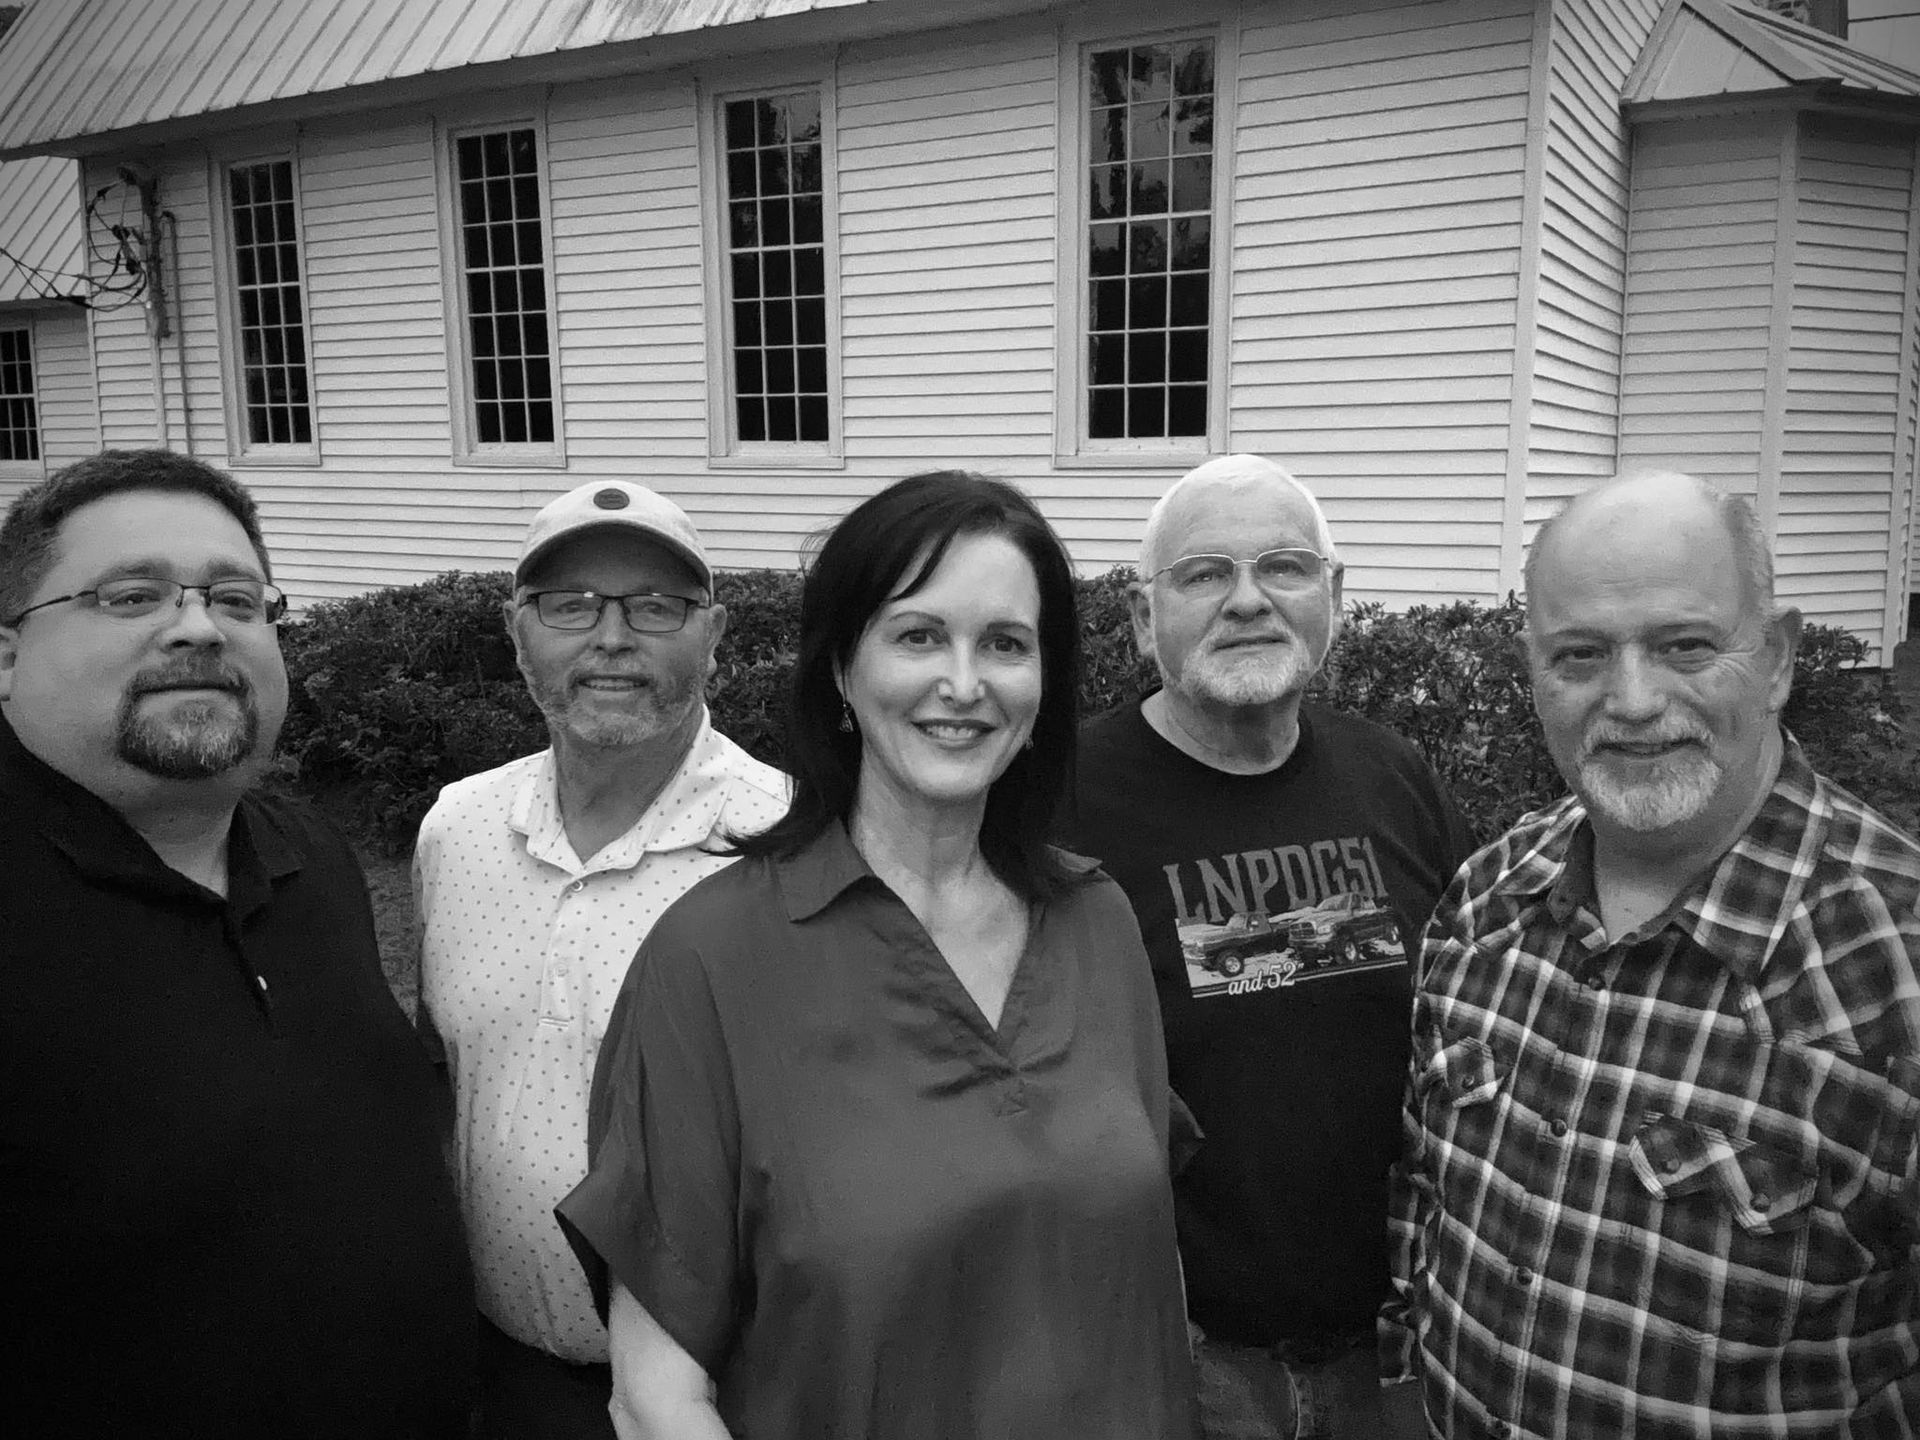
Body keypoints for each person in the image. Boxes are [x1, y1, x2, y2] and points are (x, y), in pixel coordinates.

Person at [558, 471, 1197, 1439]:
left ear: (1043, 688)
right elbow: (655, 1397)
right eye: (918, 635)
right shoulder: (712, 962)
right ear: (840, 672)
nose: (965, 682)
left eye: (1007, 645)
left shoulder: (1097, 923)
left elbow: (1144, 1275)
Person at [1384, 471, 1920, 1436]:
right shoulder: (1486, 900)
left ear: (1782, 659)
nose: (1632, 700)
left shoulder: (1895, 965)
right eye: (1581, 655)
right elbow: (1424, 1192)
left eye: (1685, 646)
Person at [0, 449, 473, 1438]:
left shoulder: (305, 850)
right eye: (131, 597)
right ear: (8, 654)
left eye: (238, 598)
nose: (198, 626)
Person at [1059, 453, 1474, 1439]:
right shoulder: (1057, 805)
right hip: (1179, 1358)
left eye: (1283, 567)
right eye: (1204, 574)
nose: (1247, 601)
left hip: (1398, 1355)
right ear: (1140, 620)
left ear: (1335, 596)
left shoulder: (1394, 776)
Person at [414, 479, 787, 1437]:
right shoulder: (456, 831)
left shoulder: (787, 845)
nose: (610, 637)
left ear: (713, 632)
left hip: (722, 1394)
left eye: (656, 606)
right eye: (568, 605)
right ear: (516, 631)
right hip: (497, 1375)